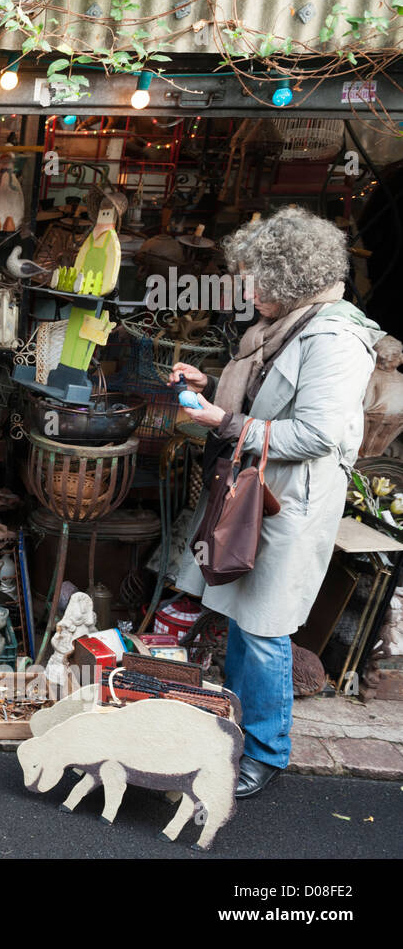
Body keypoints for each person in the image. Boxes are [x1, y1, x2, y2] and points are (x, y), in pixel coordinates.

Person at [172, 205, 383, 799]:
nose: (247, 289)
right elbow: (271, 399)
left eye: (257, 278)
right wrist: (210, 388)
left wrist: (227, 421)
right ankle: (238, 731)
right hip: (256, 492)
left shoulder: (337, 338)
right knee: (242, 614)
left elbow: (320, 435)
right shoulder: (284, 326)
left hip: (290, 501)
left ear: (290, 280)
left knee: (264, 628)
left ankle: (267, 751)